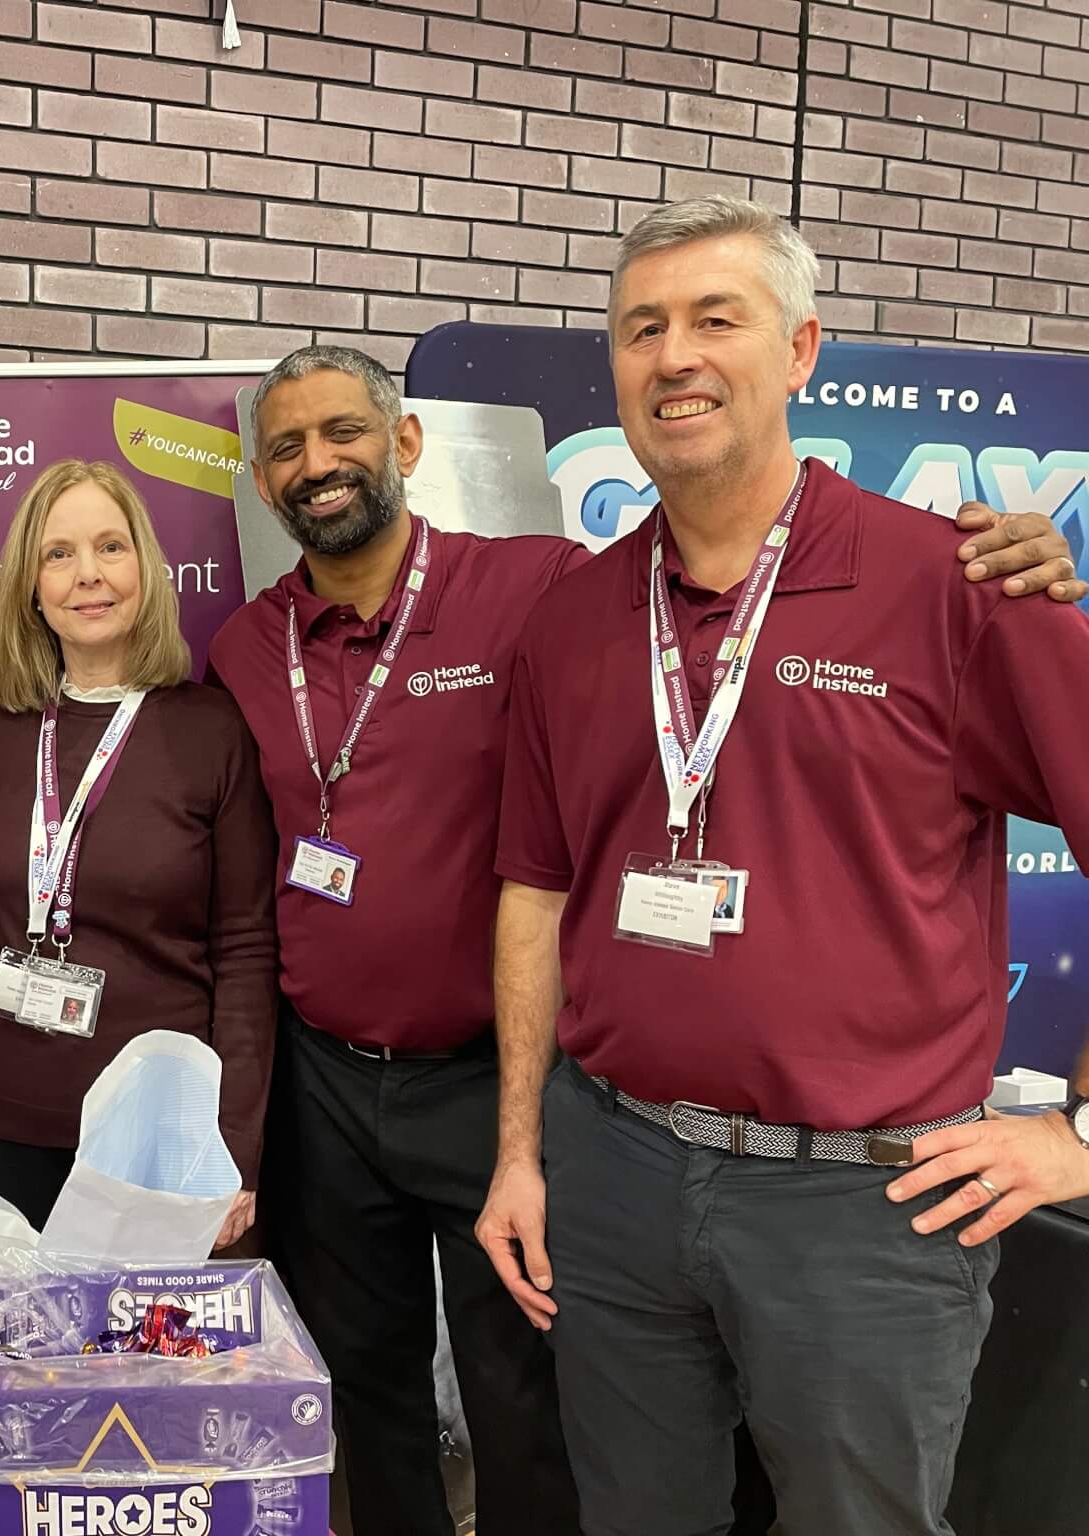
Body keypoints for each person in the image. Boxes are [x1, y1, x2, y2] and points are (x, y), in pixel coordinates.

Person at [204, 342, 1084, 1536]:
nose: (320, 464)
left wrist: (1080, 1132)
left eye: (344, 433)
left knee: (527, 1398)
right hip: (340, 1083)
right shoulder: (243, 650)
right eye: (289, 448)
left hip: (497, 1079)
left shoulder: (539, 588)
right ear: (261, 481)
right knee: (369, 1383)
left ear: (403, 445)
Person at [485, 194, 1089, 1535]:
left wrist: (1080, 1134)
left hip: (865, 1206)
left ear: (803, 350)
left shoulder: (959, 583)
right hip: (618, 1168)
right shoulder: (577, 619)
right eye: (643, 329)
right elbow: (535, 887)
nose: (676, 356)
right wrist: (523, 1150)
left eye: (718, 318)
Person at [0, 461, 278, 1236]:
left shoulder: (211, 729)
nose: (87, 575)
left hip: (158, 1132)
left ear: (147, 569)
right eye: (58, 554)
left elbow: (245, 950)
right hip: (4, 1111)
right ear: (30, 585)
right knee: (18, 1354)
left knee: (142, 1358)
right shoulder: (1, 725)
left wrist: (231, 1145)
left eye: (110, 547)